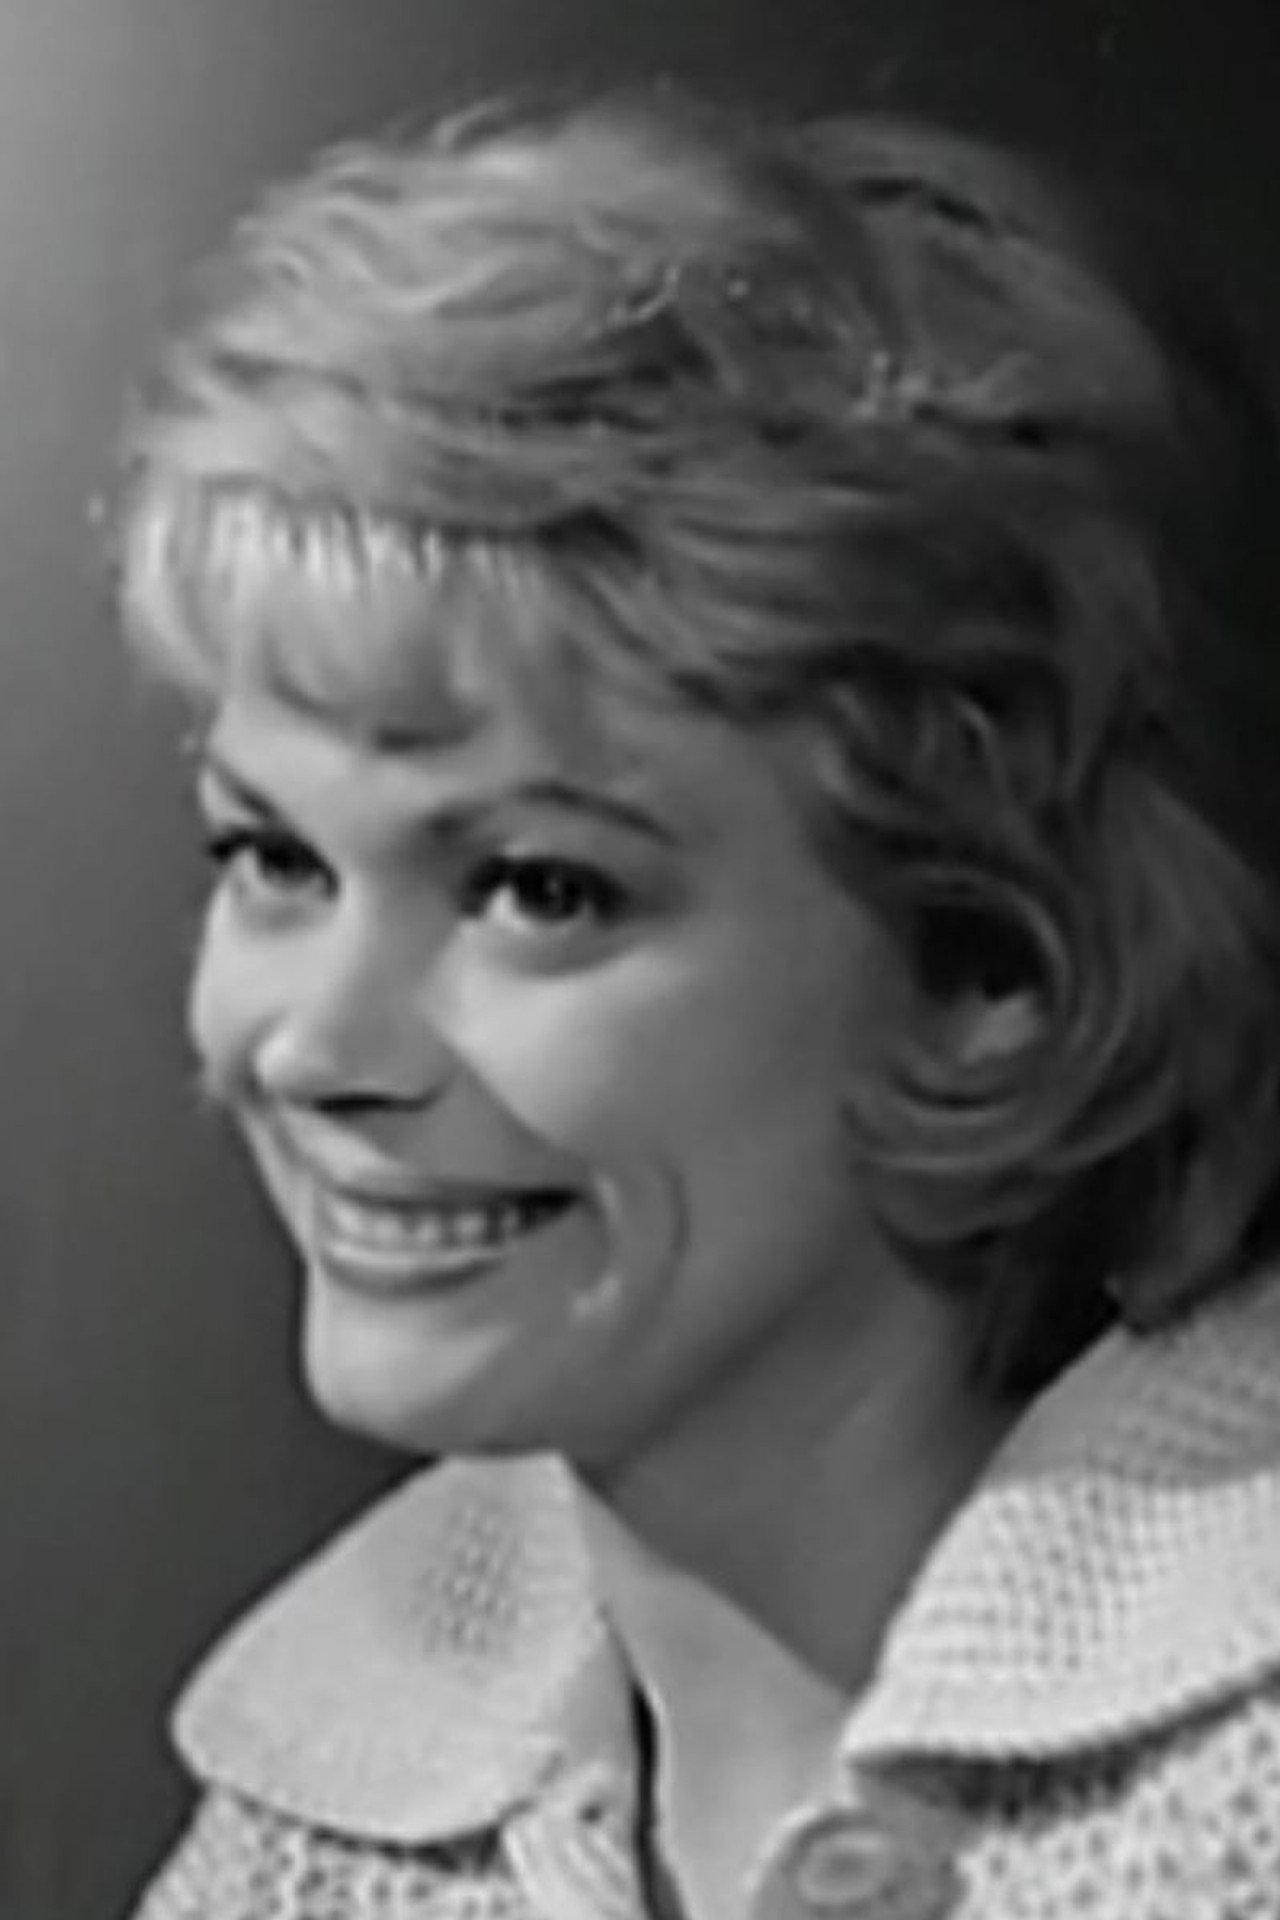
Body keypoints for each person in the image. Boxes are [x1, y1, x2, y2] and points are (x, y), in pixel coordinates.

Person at [111, 87, 1280, 1920]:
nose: (318, 1049)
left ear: (992, 970)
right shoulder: (297, 1852)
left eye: (537, 889)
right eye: (275, 860)